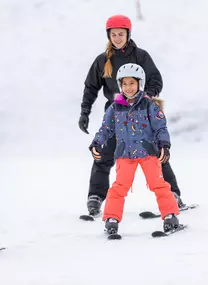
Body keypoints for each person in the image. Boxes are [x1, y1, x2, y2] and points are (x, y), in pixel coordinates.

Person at [79, 14, 185, 217]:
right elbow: (90, 87)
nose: (117, 38)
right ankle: (96, 196)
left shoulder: (141, 56)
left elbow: (155, 79)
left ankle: (173, 194)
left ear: (128, 34)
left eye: (121, 34)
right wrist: (85, 112)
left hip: (141, 114)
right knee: (103, 151)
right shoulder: (103, 60)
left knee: (155, 154)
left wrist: (145, 97)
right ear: (108, 35)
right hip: (115, 113)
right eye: (113, 34)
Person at [89, 63, 180, 234]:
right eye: (124, 84)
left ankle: (170, 215)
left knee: (158, 184)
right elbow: (106, 128)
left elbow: (161, 127)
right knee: (119, 187)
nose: (128, 87)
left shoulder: (149, 105)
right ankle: (112, 218)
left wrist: (164, 145)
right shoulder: (115, 107)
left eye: (132, 83)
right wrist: (97, 142)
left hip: (148, 153)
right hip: (125, 154)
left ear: (140, 83)